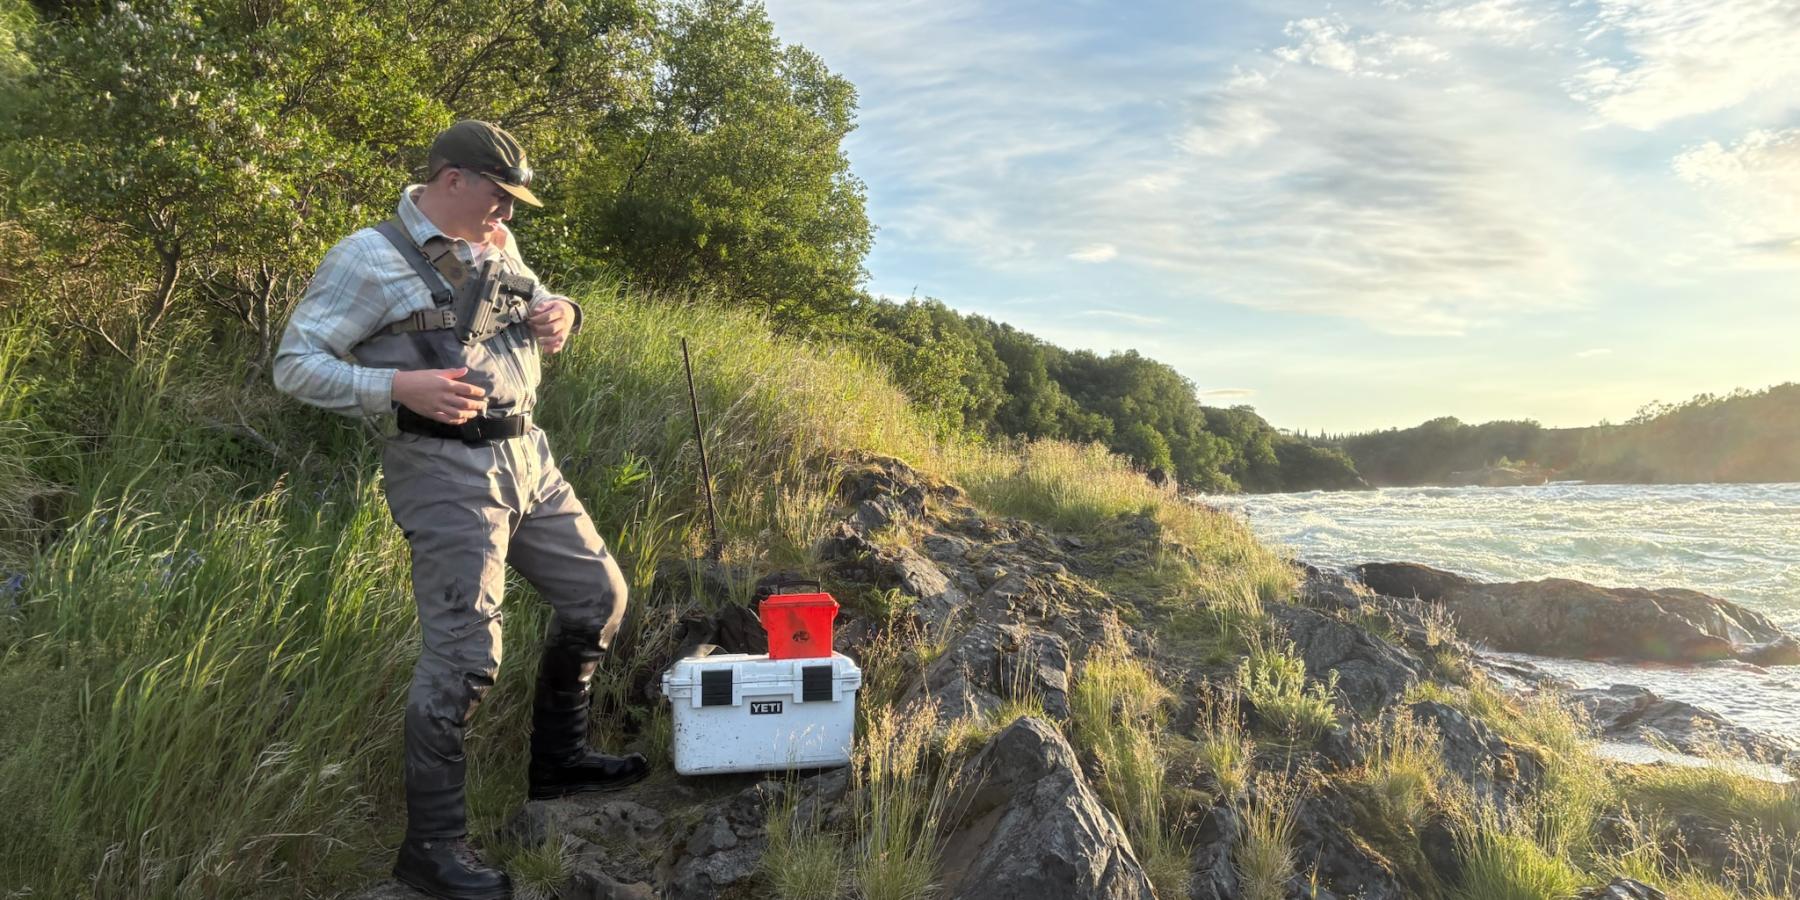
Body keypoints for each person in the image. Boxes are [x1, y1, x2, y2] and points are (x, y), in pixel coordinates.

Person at [274, 120, 649, 900]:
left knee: (598, 598)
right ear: (451, 180)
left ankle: (558, 765)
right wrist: (395, 387)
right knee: (467, 657)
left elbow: (546, 308)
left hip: (528, 457)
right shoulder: (368, 257)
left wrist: (564, 315)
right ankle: (432, 851)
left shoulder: (496, 245)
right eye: (497, 196)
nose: (507, 215)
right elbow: (294, 365)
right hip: (442, 468)